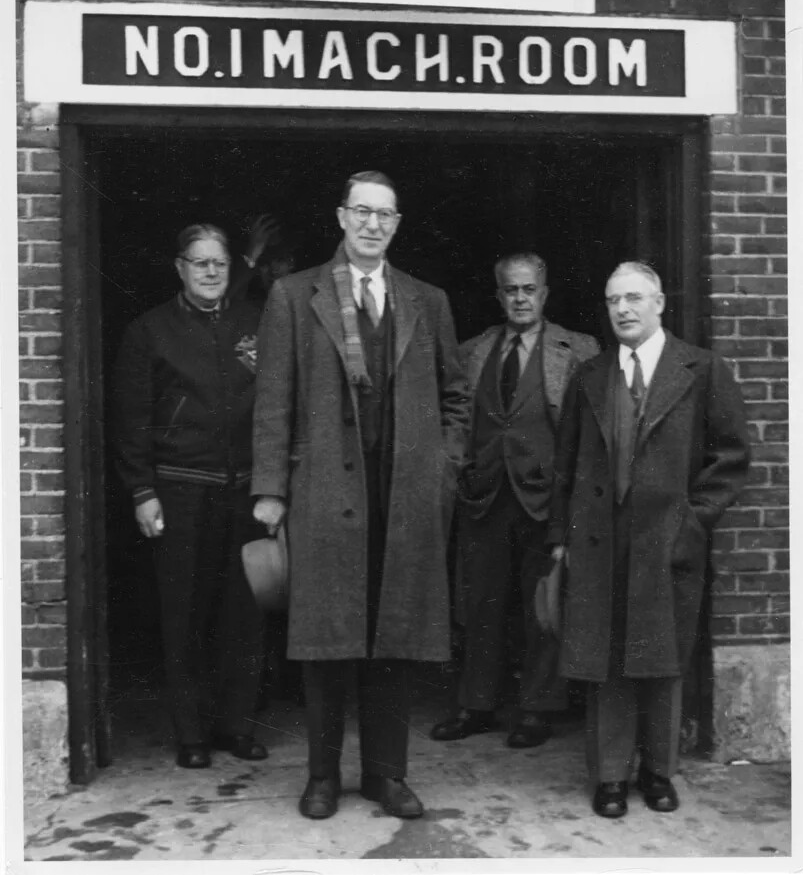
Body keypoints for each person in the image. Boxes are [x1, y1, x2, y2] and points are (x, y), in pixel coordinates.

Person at [250, 171, 470, 820]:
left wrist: (443, 469)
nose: (373, 224)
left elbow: (456, 397)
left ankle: (385, 775)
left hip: (403, 496)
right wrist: (270, 490)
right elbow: (272, 400)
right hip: (323, 490)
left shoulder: (426, 300)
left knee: (394, 636)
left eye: (385, 215)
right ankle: (322, 777)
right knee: (326, 642)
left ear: (396, 224)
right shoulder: (295, 295)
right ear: (341, 217)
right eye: (362, 212)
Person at [548, 261, 750, 818]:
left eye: (634, 298)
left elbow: (731, 457)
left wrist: (692, 520)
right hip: (600, 542)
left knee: (662, 656)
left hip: (667, 541)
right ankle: (610, 776)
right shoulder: (589, 376)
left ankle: (659, 772)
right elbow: (566, 464)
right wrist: (561, 537)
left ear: (659, 303)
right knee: (606, 658)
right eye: (614, 300)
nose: (623, 309)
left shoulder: (701, 369)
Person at [113, 224, 267, 769]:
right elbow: (131, 419)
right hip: (180, 490)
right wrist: (142, 491)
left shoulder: (256, 324)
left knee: (244, 613)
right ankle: (192, 734)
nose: (210, 272)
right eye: (199, 263)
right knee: (185, 614)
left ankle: (237, 726)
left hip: (246, 491)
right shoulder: (149, 331)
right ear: (180, 268)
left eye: (219, 263)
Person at [431, 253, 599, 749]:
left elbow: (589, 433)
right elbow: (454, 417)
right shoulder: (473, 351)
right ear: (498, 295)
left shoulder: (578, 350)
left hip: (546, 499)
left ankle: (537, 708)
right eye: (511, 290)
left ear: (544, 294)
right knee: (479, 603)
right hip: (484, 496)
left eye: (529, 289)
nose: (520, 298)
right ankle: (476, 704)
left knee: (542, 604)